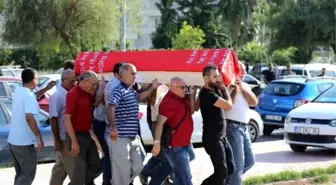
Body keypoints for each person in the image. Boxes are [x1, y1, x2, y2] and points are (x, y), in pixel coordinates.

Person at [107, 63, 159, 185]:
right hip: (120, 137)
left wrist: (152, 88)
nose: (135, 76)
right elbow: (110, 107)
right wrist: (113, 127)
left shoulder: (129, 90)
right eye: (132, 73)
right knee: (123, 171)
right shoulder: (118, 90)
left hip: (132, 137)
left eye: (135, 73)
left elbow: (139, 97)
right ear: (122, 75)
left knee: (138, 166)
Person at [152, 77, 197, 185]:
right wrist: (157, 143)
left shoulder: (182, 97)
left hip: (184, 143)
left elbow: (191, 110)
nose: (184, 89)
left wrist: (191, 94)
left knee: (179, 174)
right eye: (182, 87)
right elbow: (159, 123)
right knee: (186, 178)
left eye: (185, 87)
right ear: (172, 87)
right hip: (175, 146)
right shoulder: (168, 101)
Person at [198, 65, 235, 185]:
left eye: (218, 75)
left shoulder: (214, 91)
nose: (218, 79)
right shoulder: (208, 94)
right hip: (212, 139)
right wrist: (224, 90)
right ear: (206, 78)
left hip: (221, 137)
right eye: (214, 76)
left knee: (230, 168)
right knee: (221, 173)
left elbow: (228, 104)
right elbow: (229, 106)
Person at [7, 68, 44, 185]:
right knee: (27, 175)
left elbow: (33, 95)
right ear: (33, 80)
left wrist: (46, 89)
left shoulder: (19, 91)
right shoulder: (28, 96)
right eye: (37, 78)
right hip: (24, 143)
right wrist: (38, 136)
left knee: (21, 174)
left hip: (14, 140)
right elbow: (29, 117)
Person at [64, 70, 100, 185]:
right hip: (76, 136)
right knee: (79, 171)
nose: (94, 87)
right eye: (93, 84)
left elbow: (95, 103)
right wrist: (74, 141)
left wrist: (102, 89)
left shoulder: (88, 93)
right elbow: (67, 118)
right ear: (84, 81)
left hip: (87, 134)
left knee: (96, 164)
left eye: (96, 84)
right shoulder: (73, 94)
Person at [226, 62, 258, 185]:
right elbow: (227, 106)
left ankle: (228, 181)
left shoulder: (245, 85)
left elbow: (253, 102)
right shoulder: (228, 85)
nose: (243, 73)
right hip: (232, 127)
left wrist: (243, 89)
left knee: (249, 161)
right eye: (241, 70)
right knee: (237, 166)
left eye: (244, 71)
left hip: (244, 127)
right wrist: (235, 89)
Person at [49, 69, 77, 185]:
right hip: (64, 138)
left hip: (70, 136)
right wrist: (57, 141)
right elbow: (53, 119)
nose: (74, 83)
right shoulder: (57, 97)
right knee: (74, 172)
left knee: (59, 170)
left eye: (75, 81)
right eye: (71, 81)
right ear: (63, 81)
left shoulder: (71, 93)